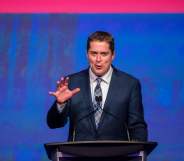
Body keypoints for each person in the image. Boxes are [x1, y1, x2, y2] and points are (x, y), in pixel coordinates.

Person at [47, 31, 148, 142]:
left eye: (104, 54)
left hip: (117, 155)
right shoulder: (71, 83)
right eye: (94, 53)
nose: (98, 60)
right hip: (80, 155)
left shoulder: (129, 84)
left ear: (113, 55)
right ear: (87, 54)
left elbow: (137, 127)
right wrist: (60, 104)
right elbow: (54, 124)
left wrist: (137, 151)